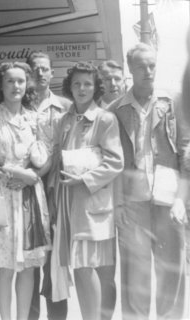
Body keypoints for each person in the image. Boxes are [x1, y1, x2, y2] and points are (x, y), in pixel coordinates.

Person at [108, 43, 188, 320]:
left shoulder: (174, 104)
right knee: (135, 276)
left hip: (169, 201)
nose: (148, 71)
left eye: (152, 64)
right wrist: (118, 204)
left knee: (171, 271)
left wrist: (181, 199)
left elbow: (186, 152)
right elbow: (112, 162)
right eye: (141, 66)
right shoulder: (115, 110)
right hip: (133, 203)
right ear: (130, 69)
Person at [48, 62, 123, 320]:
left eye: (88, 84)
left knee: (100, 271)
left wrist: (85, 179)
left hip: (94, 203)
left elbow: (115, 162)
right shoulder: (64, 120)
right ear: (69, 86)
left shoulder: (105, 119)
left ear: (96, 87)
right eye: (77, 83)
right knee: (81, 267)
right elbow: (57, 158)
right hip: (69, 204)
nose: (82, 88)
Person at [0, 61, 51, 320]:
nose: (16, 86)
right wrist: (18, 173)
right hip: (2, 194)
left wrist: (33, 176)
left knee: (26, 267)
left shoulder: (34, 118)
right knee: (5, 266)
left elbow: (48, 158)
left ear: (28, 85)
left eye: (21, 81)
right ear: (0, 85)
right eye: (10, 81)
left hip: (29, 196)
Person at [25, 51, 71, 320]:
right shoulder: (20, 105)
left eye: (44, 69)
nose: (40, 74)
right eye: (35, 69)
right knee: (29, 262)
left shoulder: (65, 106)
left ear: (52, 73)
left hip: (55, 189)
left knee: (55, 265)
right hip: (26, 189)